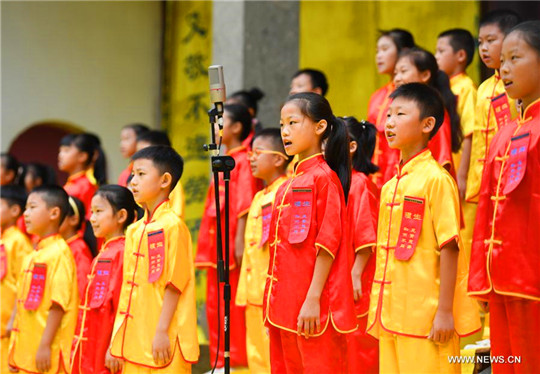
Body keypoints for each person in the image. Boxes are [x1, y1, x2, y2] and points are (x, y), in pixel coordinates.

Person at [366, 83, 480, 373]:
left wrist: (444, 311)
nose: (388, 123)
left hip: (426, 318)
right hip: (389, 314)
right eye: (388, 115)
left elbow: (450, 246)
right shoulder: (391, 185)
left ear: (427, 124)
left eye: (400, 114)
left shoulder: (436, 180)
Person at [264, 92, 357, 373]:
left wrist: (313, 298)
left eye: (293, 123)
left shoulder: (323, 178)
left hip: (312, 307)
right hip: (283, 306)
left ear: (320, 127)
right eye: (282, 125)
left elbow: (327, 244)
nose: (285, 131)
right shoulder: (288, 184)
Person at [468, 21, 540, 373]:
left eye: (515, 57)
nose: (503, 67)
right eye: (503, 60)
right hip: (502, 278)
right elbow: (485, 207)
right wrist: (481, 274)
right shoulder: (505, 133)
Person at [109, 146, 198, 373]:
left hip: (164, 337)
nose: (133, 181)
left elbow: (174, 285)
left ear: (164, 180)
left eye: (141, 174)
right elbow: (127, 291)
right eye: (132, 175)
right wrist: (116, 338)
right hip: (134, 338)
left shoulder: (172, 226)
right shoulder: (134, 230)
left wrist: (161, 332)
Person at [196, 103, 262, 369]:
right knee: (213, 304)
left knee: (230, 303)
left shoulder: (243, 160)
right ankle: (217, 357)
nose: (212, 129)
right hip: (216, 245)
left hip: (231, 244)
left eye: (219, 123)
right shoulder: (224, 159)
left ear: (234, 128)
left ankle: (234, 360)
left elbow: (244, 204)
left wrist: (239, 240)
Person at [235, 128, 291, 373]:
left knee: (273, 357)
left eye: (258, 153)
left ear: (278, 159)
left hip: (274, 293)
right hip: (254, 290)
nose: (251, 159)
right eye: (250, 154)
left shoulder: (286, 190)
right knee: (255, 354)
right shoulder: (259, 196)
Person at [8, 185, 78, 373]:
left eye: (32, 207)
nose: (26, 214)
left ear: (54, 213)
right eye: (25, 208)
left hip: (47, 354)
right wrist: (15, 349)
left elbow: (58, 305)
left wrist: (45, 346)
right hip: (26, 352)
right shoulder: (34, 255)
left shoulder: (60, 253)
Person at [71, 185, 137, 374]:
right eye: (92, 212)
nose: (92, 218)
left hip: (106, 345)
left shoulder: (122, 253)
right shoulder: (105, 253)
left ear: (121, 216)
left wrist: (115, 346)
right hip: (94, 341)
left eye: (99, 211)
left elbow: (124, 304)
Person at [465, 9, 521, 204]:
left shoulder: (521, 85)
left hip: (512, 172)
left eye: (491, 40)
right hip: (483, 177)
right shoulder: (483, 88)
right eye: (480, 42)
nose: (484, 48)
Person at [435, 28, 478, 264]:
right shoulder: (446, 87)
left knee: (463, 233)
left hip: (460, 170)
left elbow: (470, 133)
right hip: (447, 171)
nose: (436, 56)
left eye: (441, 51)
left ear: (460, 55)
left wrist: (462, 175)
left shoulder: (466, 88)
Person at [342, 117, 380, 374]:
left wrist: (355, 274)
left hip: (358, 282)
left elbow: (367, 236)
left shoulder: (360, 183)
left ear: (351, 147)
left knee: (360, 351)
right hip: (343, 280)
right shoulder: (341, 181)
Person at [394, 47, 462, 178]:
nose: (397, 78)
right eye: (395, 73)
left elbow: (443, 161)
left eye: (403, 71)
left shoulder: (434, 110)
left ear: (425, 75)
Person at [367, 29, 415, 188]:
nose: (378, 56)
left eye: (385, 49)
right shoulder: (376, 96)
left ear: (404, 52)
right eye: (377, 51)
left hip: (400, 174)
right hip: (374, 174)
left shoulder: (412, 98)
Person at [0, 185, 33, 373]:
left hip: (9, 326)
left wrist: (13, 319)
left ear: (14, 211)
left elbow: (24, 284)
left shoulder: (19, 242)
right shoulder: (3, 239)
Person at [135, 130, 185, 219]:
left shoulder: (171, 224)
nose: (140, 156)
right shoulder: (136, 228)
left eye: (147, 151)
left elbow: (177, 214)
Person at [59, 133, 105, 218]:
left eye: (66, 150)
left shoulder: (86, 186)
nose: (60, 155)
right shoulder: (72, 183)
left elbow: (89, 218)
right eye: (60, 151)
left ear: (82, 156)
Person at [59, 196, 93, 298]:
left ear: (74, 219)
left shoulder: (79, 249)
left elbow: (82, 288)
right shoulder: (61, 245)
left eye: (59, 214)